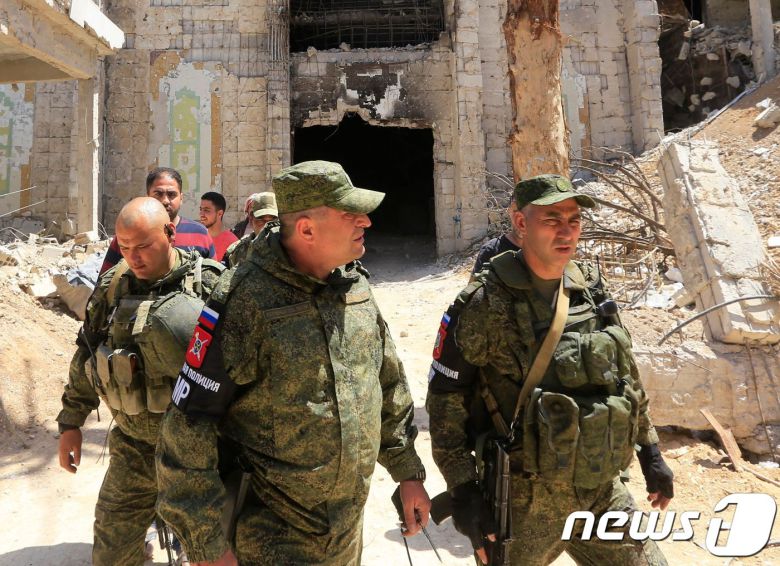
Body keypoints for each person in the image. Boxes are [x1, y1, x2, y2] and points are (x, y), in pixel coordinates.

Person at [156, 160, 431, 565]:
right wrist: (207, 545)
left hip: (344, 534)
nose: (366, 223)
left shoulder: (353, 285)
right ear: (306, 230)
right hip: (272, 539)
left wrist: (407, 471)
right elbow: (186, 429)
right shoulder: (245, 301)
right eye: (349, 214)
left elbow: (386, 380)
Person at [427, 174, 673, 565]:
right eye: (552, 220)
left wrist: (650, 450)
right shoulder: (484, 302)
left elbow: (623, 374)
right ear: (521, 224)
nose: (566, 232)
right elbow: (445, 401)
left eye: (574, 220)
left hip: (601, 486)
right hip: (525, 502)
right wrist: (463, 491)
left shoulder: (590, 289)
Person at [56, 197, 224, 565]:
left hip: (200, 452)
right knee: (112, 552)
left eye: (144, 245)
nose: (134, 256)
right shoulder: (112, 288)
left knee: (213, 553)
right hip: (133, 447)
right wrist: (71, 421)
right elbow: (87, 354)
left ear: (170, 232)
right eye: (125, 247)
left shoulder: (211, 286)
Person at [100, 167, 216, 274]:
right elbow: (106, 284)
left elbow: (213, 282)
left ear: (181, 198)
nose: (165, 200)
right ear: (148, 196)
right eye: (158, 194)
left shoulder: (200, 234)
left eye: (171, 194)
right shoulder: (129, 237)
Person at [222, 191, 278, 268]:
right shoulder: (236, 251)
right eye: (260, 219)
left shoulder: (292, 249)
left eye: (272, 220)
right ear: (251, 218)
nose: (266, 225)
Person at [472, 200, 521, 276]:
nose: (520, 219)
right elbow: (475, 285)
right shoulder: (490, 251)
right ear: (509, 211)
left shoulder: (543, 250)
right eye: (516, 211)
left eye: (526, 212)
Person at [200, 191, 239, 262]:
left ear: (220, 214)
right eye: (201, 209)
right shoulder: (197, 237)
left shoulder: (233, 243)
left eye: (206, 210)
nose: (201, 214)